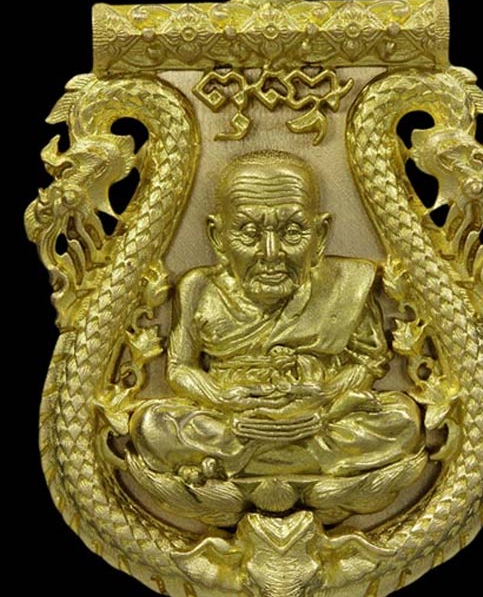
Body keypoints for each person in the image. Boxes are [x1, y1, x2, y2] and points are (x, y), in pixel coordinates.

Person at [130, 150, 422, 483]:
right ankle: (302, 463)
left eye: (292, 232)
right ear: (217, 236)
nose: (271, 253)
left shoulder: (347, 285)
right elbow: (180, 368)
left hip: (318, 419)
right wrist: (220, 398)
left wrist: (326, 396)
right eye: (249, 233)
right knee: (153, 424)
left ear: (320, 235)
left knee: (402, 419)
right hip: (234, 422)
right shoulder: (198, 288)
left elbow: (368, 363)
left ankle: (239, 464)